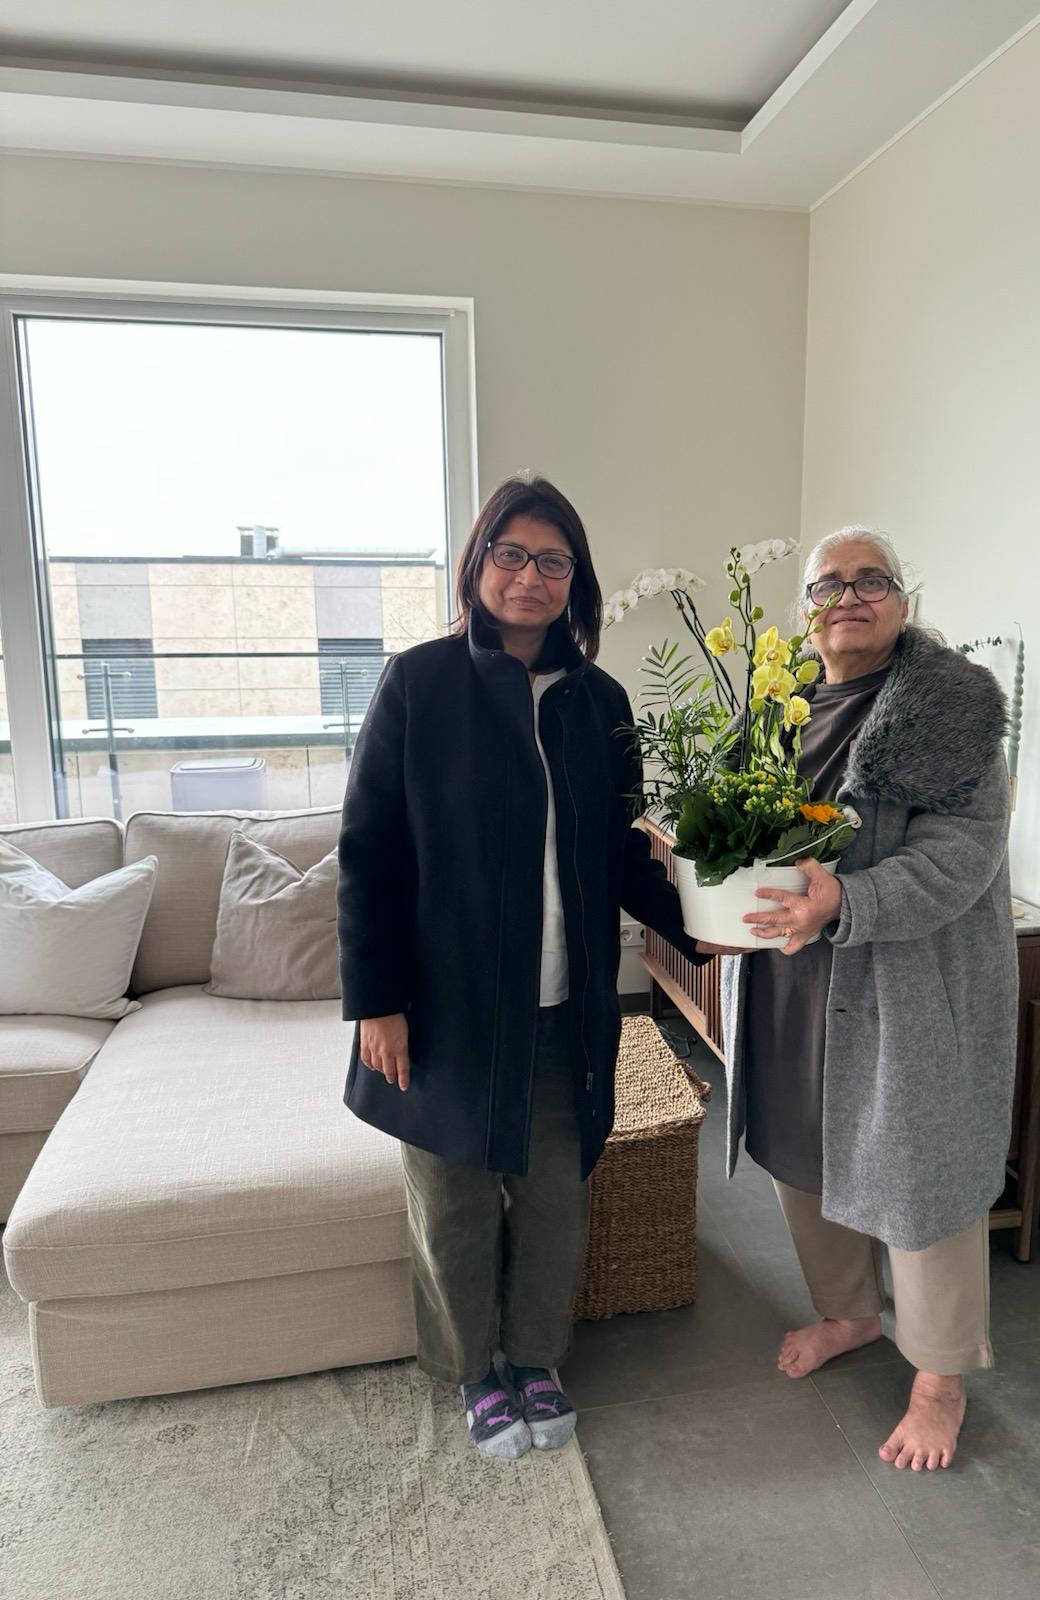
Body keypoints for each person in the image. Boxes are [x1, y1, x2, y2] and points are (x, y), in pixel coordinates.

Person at [337, 473, 709, 1460]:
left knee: (554, 1191)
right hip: (444, 1004)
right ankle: (473, 1370)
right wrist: (374, 1000)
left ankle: (535, 1358)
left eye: (553, 559)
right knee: (453, 1201)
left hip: (565, 1000)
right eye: (511, 553)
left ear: (576, 580)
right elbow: (369, 849)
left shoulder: (603, 702)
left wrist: (708, 925)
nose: (530, 576)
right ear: (477, 565)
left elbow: (622, 852)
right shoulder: (419, 683)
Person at [720, 525, 1017, 1471]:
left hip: (905, 985)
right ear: (803, 610)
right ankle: (849, 1314)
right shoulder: (772, 705)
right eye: (827, 583)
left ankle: (940, 1381)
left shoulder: (952, 710)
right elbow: (731, 827)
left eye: (872, 579)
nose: (849, 595)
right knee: (799, 1145)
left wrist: (848, 898)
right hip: (787, 974)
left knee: (921, 1174)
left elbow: (962, 855)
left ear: (904, 598)